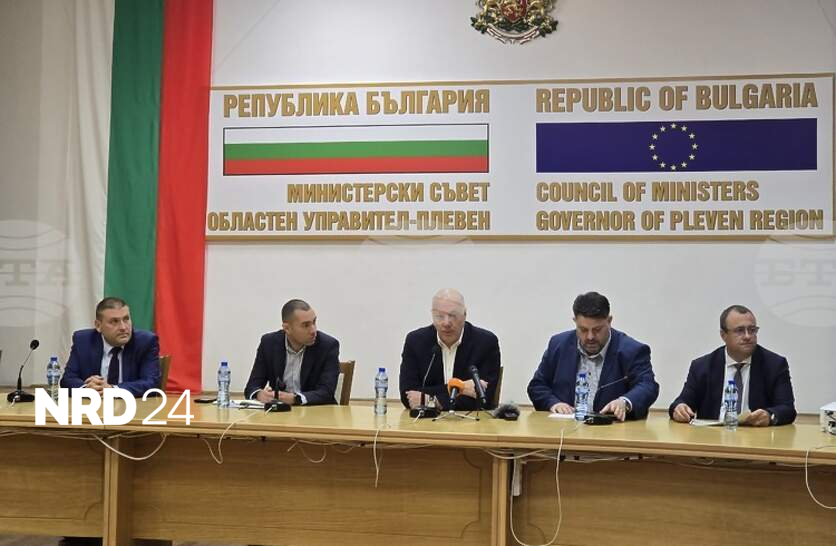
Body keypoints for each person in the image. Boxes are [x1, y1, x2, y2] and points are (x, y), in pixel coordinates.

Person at [527, 291, 658, 420]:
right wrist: (553, 403)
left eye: (597, 330)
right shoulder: (559, 345)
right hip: (565, 427)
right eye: (583, 330)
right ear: (575, 322)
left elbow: (648, 386)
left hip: (611, 429)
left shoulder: (632, 350)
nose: (590, 337)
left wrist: (624, 402)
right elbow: (537, 386)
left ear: (609, 321)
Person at [669, 305, 796, 426]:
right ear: (723, 335)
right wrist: (679, 408)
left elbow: (787, 409)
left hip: (756, 436)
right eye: (740, 331)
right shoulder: (702, 366)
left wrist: (769, 416)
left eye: (752, 330)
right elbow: (682, 402)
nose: (747, 336)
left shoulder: (774, 365)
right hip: (712, 436)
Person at [399, 289, 500, 411]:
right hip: (426, 420)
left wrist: (433, 400)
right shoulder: (415, 341)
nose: (446, 323)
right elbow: (409, 396)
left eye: (452, 315)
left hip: (471, 421)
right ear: (432, 315)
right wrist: (462, 387)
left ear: (464, 315)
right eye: (439, 316)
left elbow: (485, 398)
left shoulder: (486, 342)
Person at [244, 299, 340, 406]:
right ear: (287, 328)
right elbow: (252, 386)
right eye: (306, 325)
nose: (313, 330)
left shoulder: (328, 346)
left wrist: (295, 399)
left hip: (315, 411)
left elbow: (326, 392)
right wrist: (259, 394)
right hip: (279, 412)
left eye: (314, 322)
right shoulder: (269, 343)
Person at [61, 297, 161, 397]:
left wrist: (113, 390)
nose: (123, 327)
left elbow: (151, 383)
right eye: (114, 321)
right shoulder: (83, 341)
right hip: (94, 405)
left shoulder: (145, 342)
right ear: (98, 326)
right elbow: (67, 380)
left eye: (126, 319)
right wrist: (87, 389)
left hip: (133, 405)